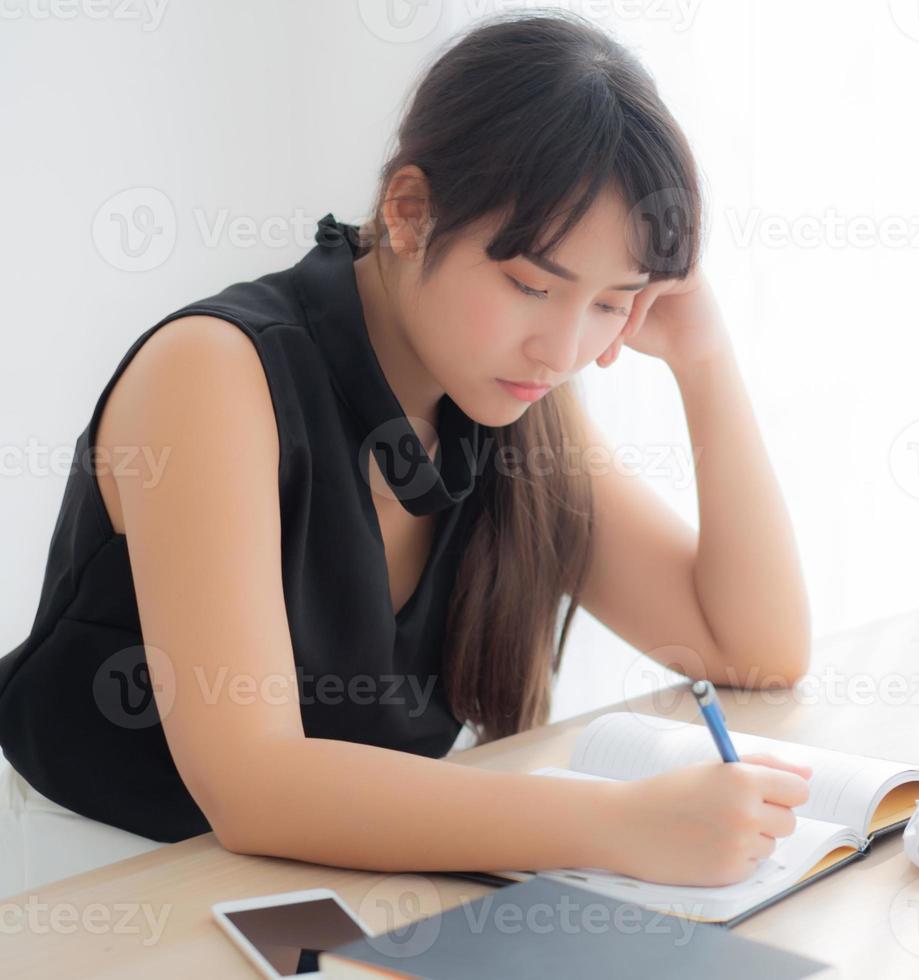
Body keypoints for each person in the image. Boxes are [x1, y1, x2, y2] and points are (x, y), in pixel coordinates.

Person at [0, 13, 812, 895]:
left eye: (614, 304)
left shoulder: (511, 405)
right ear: (410, 212)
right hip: (106, 888)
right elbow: (253, 783)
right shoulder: (217, 371)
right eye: (533, 286)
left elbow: (755, 651)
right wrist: (618, 826)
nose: (564, 349)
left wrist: (706, 362)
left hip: (350, 886)